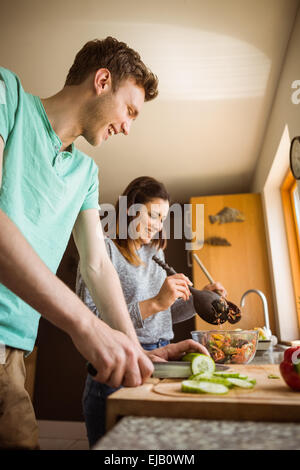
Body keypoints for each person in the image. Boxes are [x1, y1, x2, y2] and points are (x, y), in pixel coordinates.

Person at [0, 38, 206, 450]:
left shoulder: (86, 173)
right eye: (130, 110)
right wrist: (85, 325)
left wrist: (135, 351)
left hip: (15, 351)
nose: (129, 127)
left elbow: (97, 267)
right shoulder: (7, 95)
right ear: (102, 80)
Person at [76, 176, 226, 447]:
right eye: (154, 215)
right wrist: (156, 302)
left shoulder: (155, 254)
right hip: (120, 363)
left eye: (163, 219)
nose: (158, 226)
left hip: (163, 362)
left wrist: (198, 298)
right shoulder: (103, 250)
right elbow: (91, 320)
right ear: (131, 208)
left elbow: (164, 314)